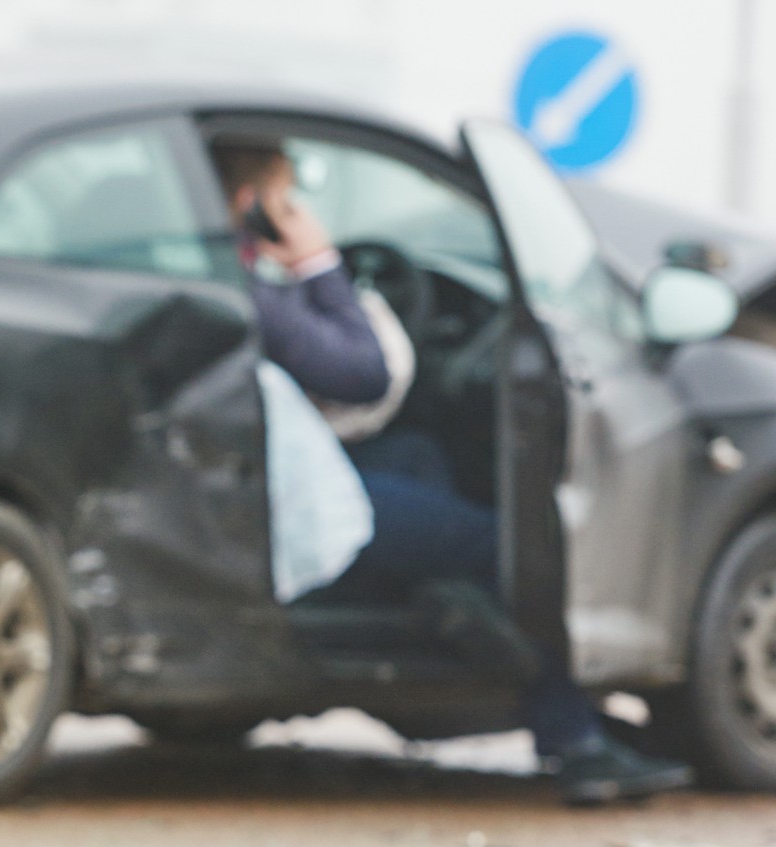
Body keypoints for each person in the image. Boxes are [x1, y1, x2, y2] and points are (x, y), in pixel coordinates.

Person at [212, 139, 693, 804]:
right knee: (505, 546)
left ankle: (440, 608)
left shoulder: (222, 278)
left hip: (266, 475)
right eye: (286, 201)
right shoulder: (248, 291)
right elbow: (361, 373)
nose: (296, 213)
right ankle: (574, 737)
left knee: (420, 458)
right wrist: (320, 264)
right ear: (251, 205)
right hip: (284, 501)